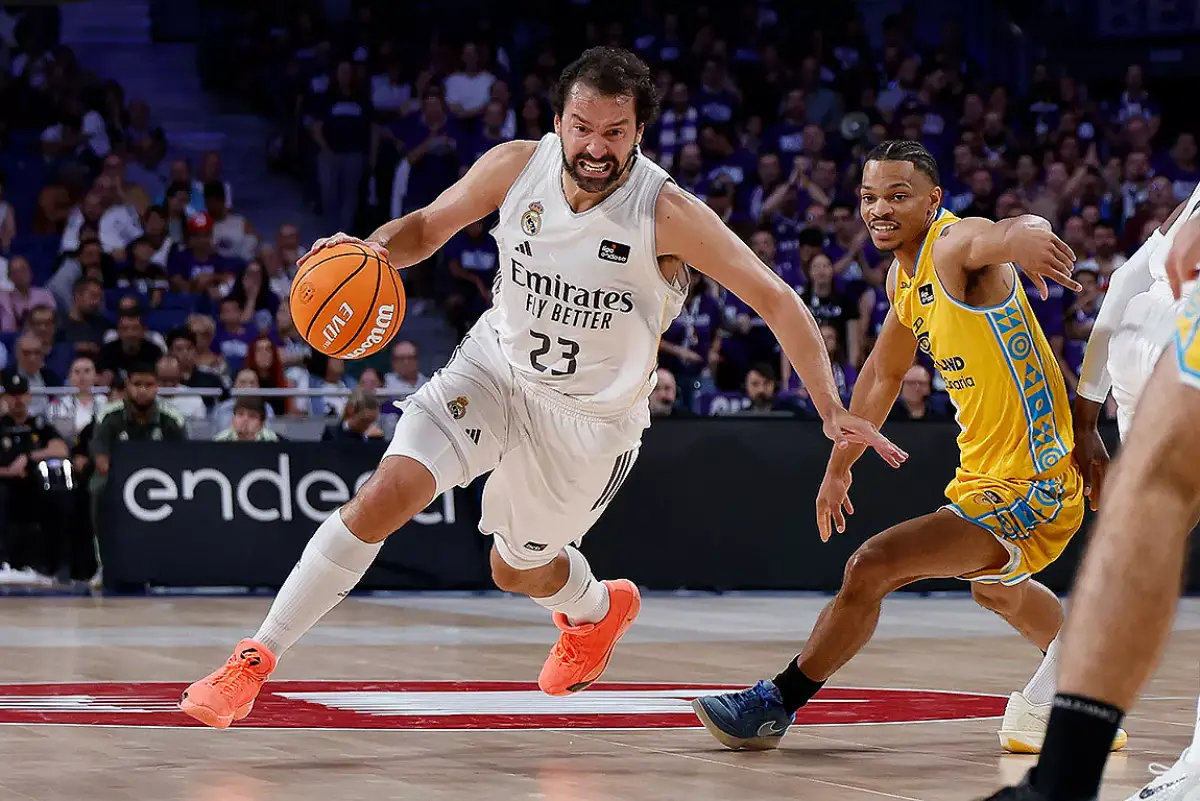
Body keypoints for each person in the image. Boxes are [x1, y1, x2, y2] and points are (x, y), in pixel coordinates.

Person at [179, 46, 908, 730]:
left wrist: (830, 406)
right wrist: (367, 249)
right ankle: (254, 659)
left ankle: (595, 609)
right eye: (581, 127)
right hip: (495, 365)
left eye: (614, 132)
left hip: (588, 422)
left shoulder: (668, 214)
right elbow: (428, 227)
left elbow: (778, 299)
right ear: (558, 120)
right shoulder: (514, 168)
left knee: (513, 566)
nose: (595, 146)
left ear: (640, 132)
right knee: (385, 492)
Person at [690, 140, 1094, 753]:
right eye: (869, 196)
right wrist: (838, 469)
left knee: (872, 565)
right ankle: (1085, 677)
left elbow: (1001, 233)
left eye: (898, 196)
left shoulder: (955, 247)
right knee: (996, 588)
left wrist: (1026, 233)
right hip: (987, 477)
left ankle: (778, 702)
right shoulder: (905, 279)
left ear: (934, 201)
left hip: (1034, 483)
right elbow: (880, 376)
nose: (880, 208)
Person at [981, 196, 1200, 801]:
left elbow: (1135, 272)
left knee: (1150, 510)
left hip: (1147, 331)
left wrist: (1085, 411)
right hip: (1175, 320)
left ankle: (1054, 756)